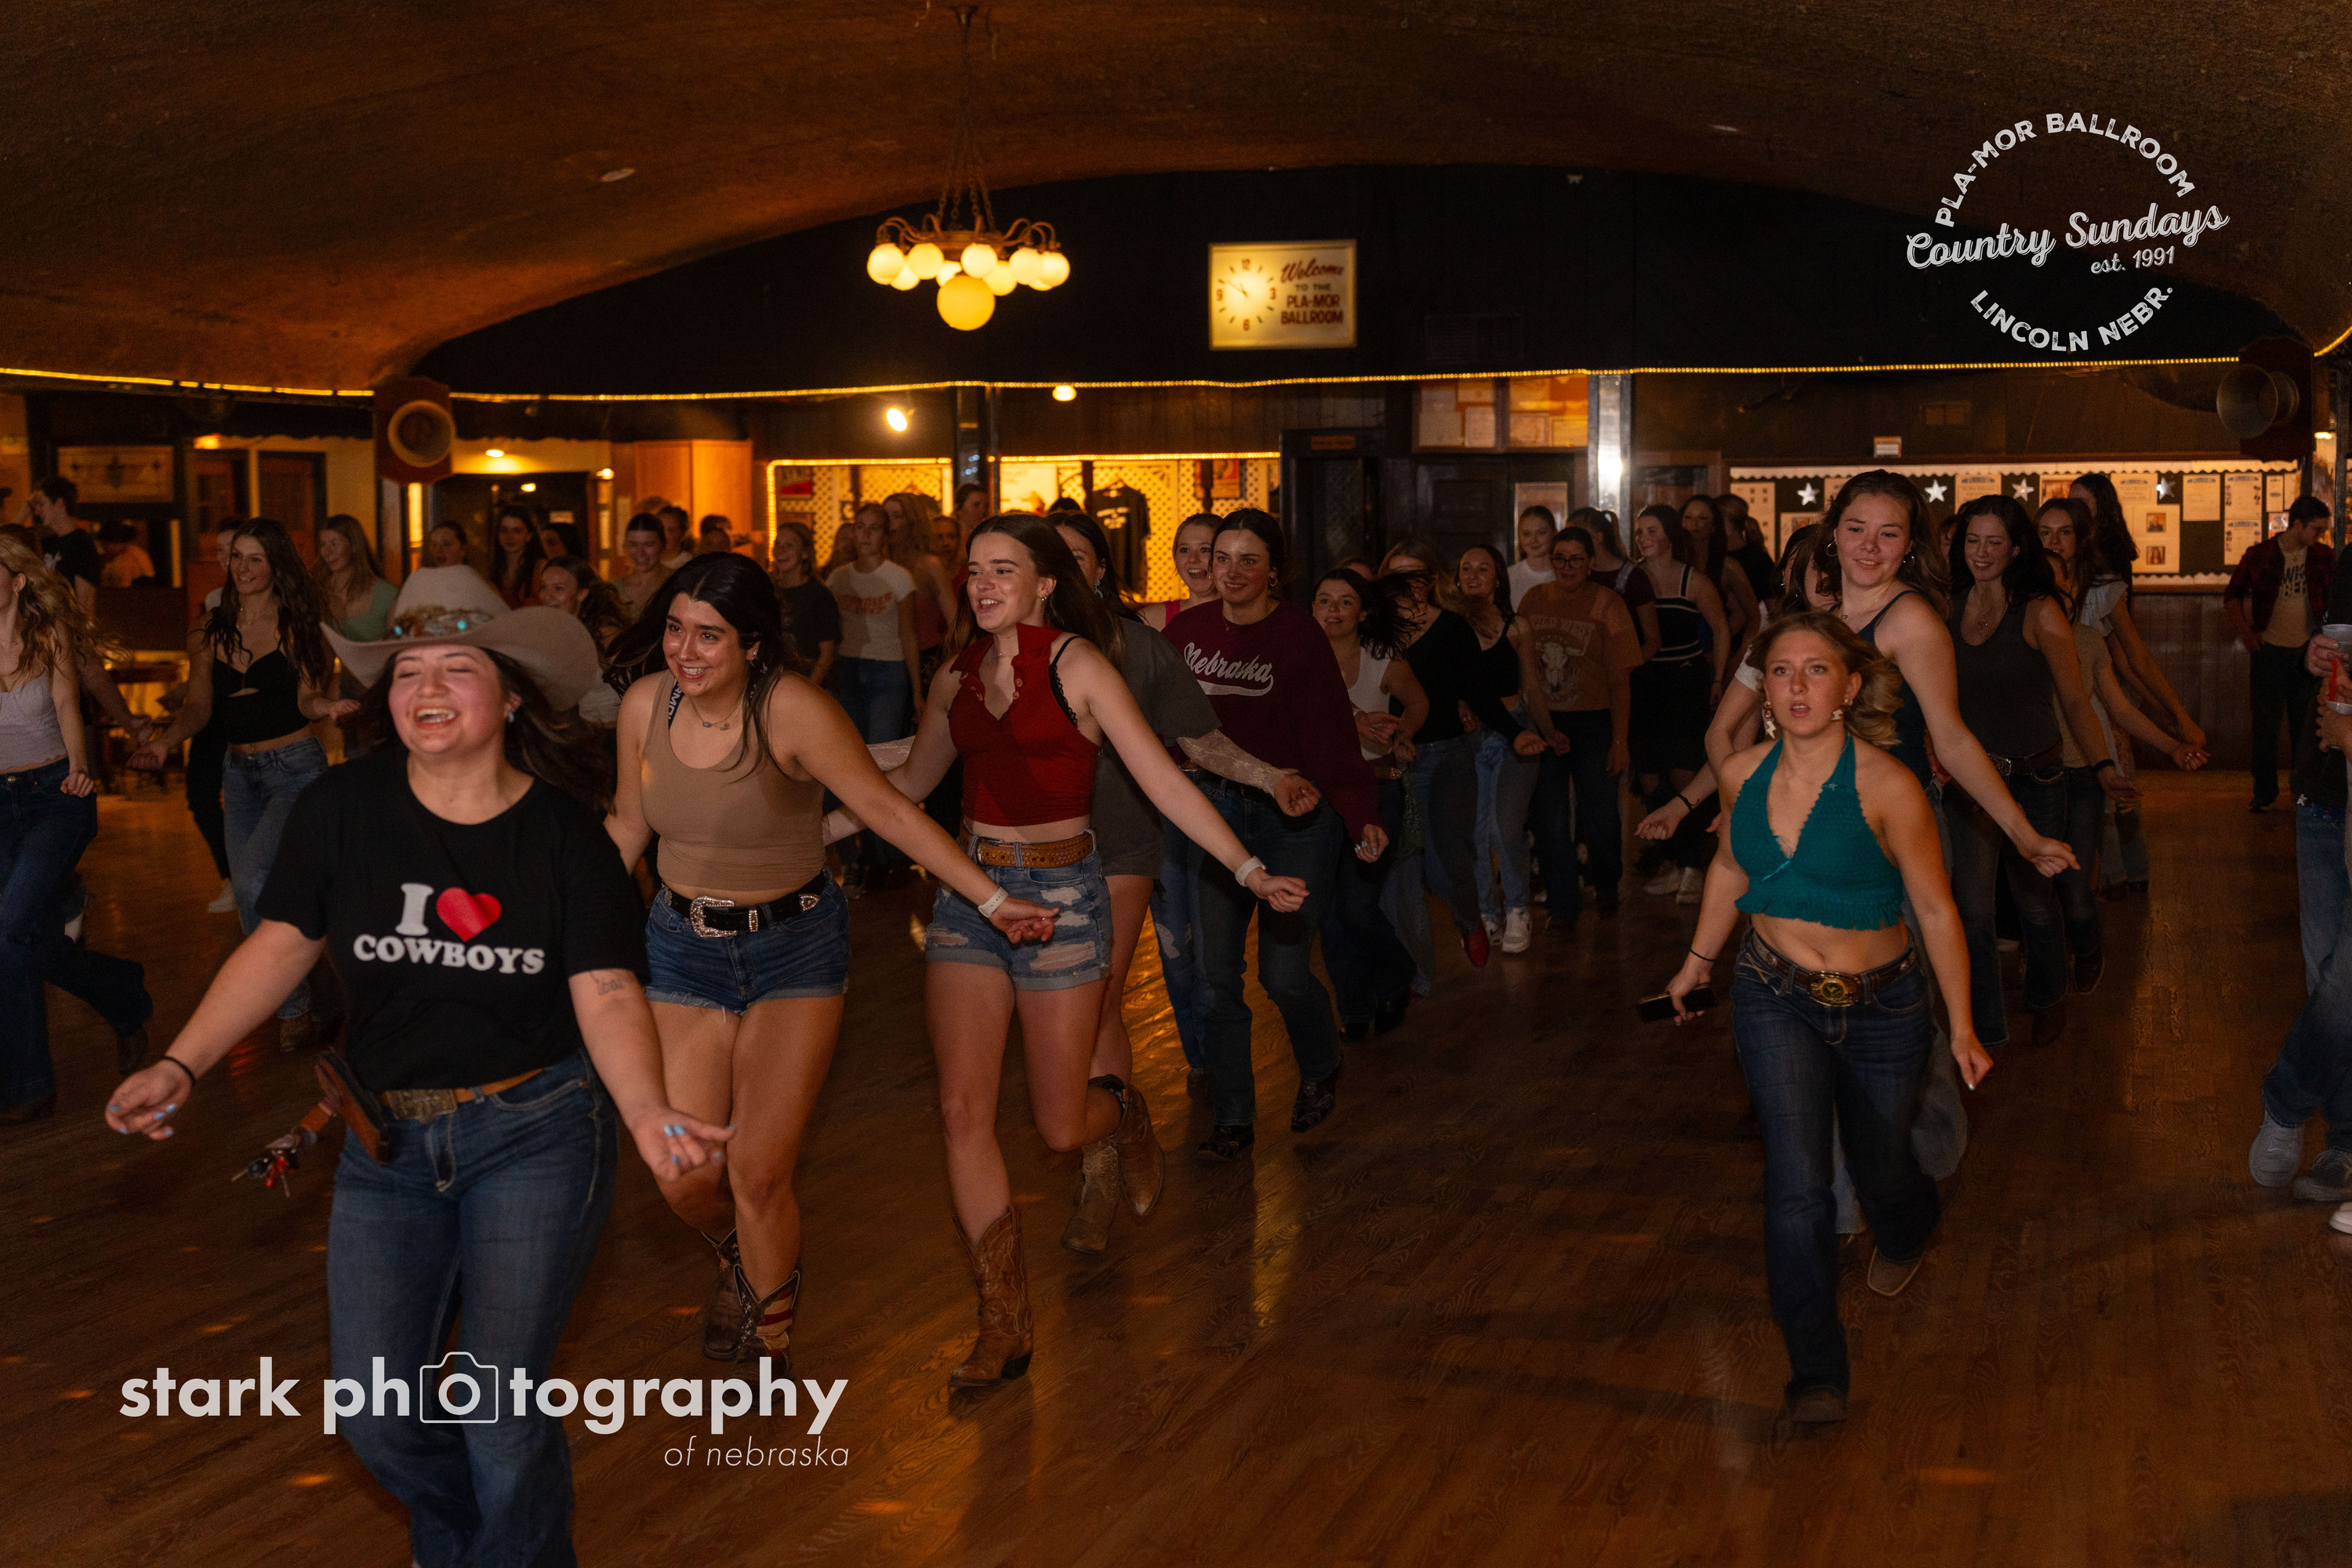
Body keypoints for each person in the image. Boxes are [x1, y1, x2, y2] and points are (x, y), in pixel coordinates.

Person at [103, 576, 731, 1567]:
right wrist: (183, 1060)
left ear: (511, 694)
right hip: (385, 1144)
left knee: (497, 1406)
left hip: (534, 1131)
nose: (426, 688)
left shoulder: (565, 834)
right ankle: (489, 1541)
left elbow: (608, 989)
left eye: (456, 668)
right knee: (376, 1415)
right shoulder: (341, 808)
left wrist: (649, 1109)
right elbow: (282, 941)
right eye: (408, 672)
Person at [871, 514, 1308, 1385]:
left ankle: (1125, 1111)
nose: (984, 584)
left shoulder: (1083, 666)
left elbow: (1165, 780)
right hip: (971, 896)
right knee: (961, 1112)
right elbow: (910, 784)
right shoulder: (955, 676)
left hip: (1066, 895)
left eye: (1004, 570)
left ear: (1044, 585)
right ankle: (1003, 1322)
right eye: (974, 570)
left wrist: (1248, 868)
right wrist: (807, 818)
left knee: (1061, 1126)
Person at [601, 554, 1054, 1367]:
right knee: (683, 1174)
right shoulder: (645, 705)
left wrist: (993, 901)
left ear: (752, 644)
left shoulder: (793, 710)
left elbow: (887, 808)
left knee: (758, 1174)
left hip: (792, 951)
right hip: (684, 948)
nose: (684, 650)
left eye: (709, 635)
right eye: (674, 629)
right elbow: (629, 826)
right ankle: (744, 1255)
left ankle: (770, 1337)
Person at [1664, 610, 1990, 1425]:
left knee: (1882, 1171)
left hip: (1884, 1006)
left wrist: (1961, 1025)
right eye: (1781, 671)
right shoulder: (1740, 773)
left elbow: (1935, 909)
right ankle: (1816, 1372)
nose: (1798, 685)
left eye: (1816, 669)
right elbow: (1730, 867)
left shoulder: (1887, 785)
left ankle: (1909, 1221)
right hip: (1774, 994)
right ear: (1765, 690)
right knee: (1798, 1187)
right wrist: (1697, 961)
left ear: (1848, 687)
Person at [1049, 510, 1315, 1250]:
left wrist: (1271, 778)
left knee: (1098, 1005)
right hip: (1018, 861)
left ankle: (1101, 1170)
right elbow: (935, 747)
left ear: (1101, 569)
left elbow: (1200, 743)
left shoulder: (1137, 647)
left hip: (1117, 847)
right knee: (1053, 1023)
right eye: (1048, 558)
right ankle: (1120, 1121)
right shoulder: (994, 650)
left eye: (1077, 557)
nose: (1062, 572)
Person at [1164, 511, 1387, 1160]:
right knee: (1215, 978)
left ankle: (1321, 1065)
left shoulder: (1297, 636)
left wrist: (1360, 815)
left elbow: (1331, 740)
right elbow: (1160, 722)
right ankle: (1234, 1118)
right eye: (1221, 558)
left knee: (1285, 973)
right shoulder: (1186, 635)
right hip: (1216, 812)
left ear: (1275, 571)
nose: (1229, 572)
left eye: (1247, 560)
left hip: (1295, 817)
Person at [130, 519, 359, 1051]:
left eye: (256, 558)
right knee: (248, 897)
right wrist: (165, 742)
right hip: (239, 775)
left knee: (255, 884)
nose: (244, 568)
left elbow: (306, 699)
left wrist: (328, 707)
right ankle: (319, 989)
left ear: (276, 565)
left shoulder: (298, 624)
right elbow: (199, 707)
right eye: (237, 557)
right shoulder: (209, 628)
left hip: (295, 771)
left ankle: (294, 1007)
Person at [1943, 495, 2135, 1049]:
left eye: (1994, 542)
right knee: (1972, 909)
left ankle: (2049, 997)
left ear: (2016, 548)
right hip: (1972, 782)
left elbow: (2075, 700)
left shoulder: (2040, 611)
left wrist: (2102, 765)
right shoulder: (1947, 607)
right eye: (1972, 541)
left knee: (2035, 903)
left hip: (2035, 778)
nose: (1981, 553)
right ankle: (1985, 1022)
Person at [0, 537, 154, 1123]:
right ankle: (123, 993)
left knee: (7, 930)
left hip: (56, 796)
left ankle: (28, 1087)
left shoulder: (50, 634)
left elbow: (68, 705)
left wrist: (81, 769)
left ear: (17, 581)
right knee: (24, 940)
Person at [2037, 498, 2206, 992]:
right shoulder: (2020, 637)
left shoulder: (2088, 639)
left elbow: (2121, 704)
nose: (2054, 543)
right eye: (2044, 532)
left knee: (2076, 883)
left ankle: (2087, 946)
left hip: (2086, 766)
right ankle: (2045, 973)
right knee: (2037, 885)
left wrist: (2173, 744)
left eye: (2064, 533)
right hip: (2032, 770)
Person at [1378, 539, 1545, 964]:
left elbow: (1480, 692)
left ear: (1432, 580)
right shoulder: (1376, 629)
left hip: (1447, 755)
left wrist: (1515, 733)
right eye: (1394, 577)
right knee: (1402, 866)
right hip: (1390, 757)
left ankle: (1472, 919)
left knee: (1447, 859)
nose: (1403, 587)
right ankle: (1413, 972)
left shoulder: (1452, 627)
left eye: (1413, 577)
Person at [2251, 569, 2352, 1215]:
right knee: (2328, 980)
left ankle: (2292, 1107)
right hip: (2326, 801)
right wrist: (2315, 655)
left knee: (2345, 986)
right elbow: (2329, 656)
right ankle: (2343, 1143)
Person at [2072, 472, 2206, 886]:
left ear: (2102, 513)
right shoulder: (2065, 580)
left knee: (2112, 773)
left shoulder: (2104, 578)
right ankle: (2121, 874)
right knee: (2106, 776)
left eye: (2083, 506)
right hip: (2084, 690)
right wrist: (2169, 714)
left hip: (2099, 689)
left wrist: (2173, 715)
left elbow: (2127, 655)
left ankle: (2120, 874)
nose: (2075, 516)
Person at [1313, 566, 1428, 1034]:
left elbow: (1418, 703)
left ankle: (1396, 975)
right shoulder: (1298, 657)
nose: (1333, 611)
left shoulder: (1383, 659)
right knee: (1329, 916)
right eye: (1324, 600)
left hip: (1378, 789)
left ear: (1362, 613)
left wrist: (1402, 735)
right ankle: (1356, 1010)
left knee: (1356, 907)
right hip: (1318, 796)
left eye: (1345, 602)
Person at [1520, 526, 1642, 930]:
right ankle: (1562, 902)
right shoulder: (1534, 600)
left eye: (1576, 559)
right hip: (1546, 720)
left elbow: (1621, 680)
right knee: (1550, 815)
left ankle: (1606, 884)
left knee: (1600, 813)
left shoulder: (1609, 604)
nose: (1567, 567)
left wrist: (1620, 739)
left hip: (1594, 721)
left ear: (1591, 562)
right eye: (1560, 559)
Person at [1631, 504, 1731, 903]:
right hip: (1644, 683)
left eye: (1651, 530)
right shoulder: (1632, 578)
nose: (1643, 538)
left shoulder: (1693, 580)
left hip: (1685, 681)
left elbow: (1721, 628)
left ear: (1670, 535)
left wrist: (1719, 677)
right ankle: (1671, 860)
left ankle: (1693, 865)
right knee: (1649, 776)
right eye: (1640, 531)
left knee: (1684, 774)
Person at [827, 503, 922, 887]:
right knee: (850, 761)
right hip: (849, 670)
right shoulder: (838, 578)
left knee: (880, 761)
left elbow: (908, 635)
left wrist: (918, 692)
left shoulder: (898, 578)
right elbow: (830, 634)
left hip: (888, 671)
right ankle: (864, 853)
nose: (865, 535)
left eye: (874, 528)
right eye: (860, 527)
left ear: (885, 536)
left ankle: (887, 852)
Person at [1456, 543, 1543, 951]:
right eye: (1466, 569)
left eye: (1483, 569)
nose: (1473, 576)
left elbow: (1532, 685)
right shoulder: (1451, 628)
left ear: (1497, 579)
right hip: (1469, 737)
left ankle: (1518, 909)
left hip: (1515, 730)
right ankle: (1486, 911)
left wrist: (1549, 731)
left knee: (1504, 826)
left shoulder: (1516, 626)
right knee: (1474, 829)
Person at [2227, 495, 2332, 813]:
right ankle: (2265, 792)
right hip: (2269, 650)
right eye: (2316, 529)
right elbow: (2232, 595)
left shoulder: (2323, 557)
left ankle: (2301, 792)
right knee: (2265, 727)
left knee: (2305, 727)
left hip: (2306, 653)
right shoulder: (2260, 555)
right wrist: (2246, 633)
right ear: (2298, 525)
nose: (2320, 535)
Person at [1685, 493, 1761, 681]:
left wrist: (1736, 660)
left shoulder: (1728, 566)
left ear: (1713, 525)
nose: (1694, 524)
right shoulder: (1675, 565)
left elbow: (1751, 616)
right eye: (1688, 517)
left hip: (1713, 662)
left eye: (1702, 518)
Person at [767, 521, 840, 688]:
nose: (780, 550)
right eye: (777, 544)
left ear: (805, 553)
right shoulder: (768, 592)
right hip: (775, 683)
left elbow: (827, 654)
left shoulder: (819, 596)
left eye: (789, 545)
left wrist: (809, 688)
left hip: (809, 683)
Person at [315, 514, 398, 642]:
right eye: (323, 545)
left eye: (334, 544)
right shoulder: (317, 592)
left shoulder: (386, 594)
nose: (327, 551)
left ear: (354, 545)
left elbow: (399, 639)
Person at [27, 477, 102, 612]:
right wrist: (27, 506)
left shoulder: (81, 543)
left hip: (68, 620)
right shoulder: (49, 543)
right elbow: (7, 539)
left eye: (42, 504)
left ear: (60, 503)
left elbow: (85, 603)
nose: (37, 512)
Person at [1140, 512, 1221, 630]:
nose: (1193, 559)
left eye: (1205, 549)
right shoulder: (1149, 620)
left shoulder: (1245, 619)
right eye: (1184, 550)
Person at [1718, 492, 1780, 605]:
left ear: (1732, 522)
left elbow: (1773, 605)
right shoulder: (1714, 556)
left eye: (1717, 519)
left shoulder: (1758, 560)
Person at [613, 513, 673, 619]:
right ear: (624, 547)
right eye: (633, 545)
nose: (640, 553)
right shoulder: (615, 590)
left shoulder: (677, 582)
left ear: (663, 546)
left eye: (648, 545)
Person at [490, 503, 548, 609]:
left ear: (529, 535)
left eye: (517, 531)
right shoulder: (494, 571)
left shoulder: (541, 569)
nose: (510, 537)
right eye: (504, 530)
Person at [1508, 505, 1558, 608]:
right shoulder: (1509, 576)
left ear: (1553, 533)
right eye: (1526, 534)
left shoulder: (1563, 575)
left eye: (1541, 533)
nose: (1533, 540)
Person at [96, 521, 156, 587]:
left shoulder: (123, 562)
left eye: (104, 544)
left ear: (113, 542)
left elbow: (124, 586)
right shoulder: (136, 551)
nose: (103, 548)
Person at [657, 504, 695, 570]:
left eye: (671, 530)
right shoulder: (650, 561)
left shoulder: (688, 564)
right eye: (660, 528)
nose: (663, 534)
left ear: (683, 535)